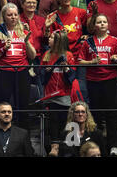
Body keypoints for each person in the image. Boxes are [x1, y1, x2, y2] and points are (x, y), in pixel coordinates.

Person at [78, 13, 117, 156]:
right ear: (94, 26)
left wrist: (116, 60)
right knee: (95, 113)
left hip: (109, 79)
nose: (102, 24)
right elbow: (79, 61)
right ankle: (96, 146)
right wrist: (91, 62)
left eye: (104, 22)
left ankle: (114, 146)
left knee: (110, 113)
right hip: (93, 80)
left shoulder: (115, 41)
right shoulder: (88, 42)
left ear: (108, 25)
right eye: (99, 22)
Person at [0, 3, 36, 129]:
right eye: (10, 15)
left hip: (22, 72)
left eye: (15, 14)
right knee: (2, 104)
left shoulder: (24, 32)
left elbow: (33, 56)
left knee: (23, 105)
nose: (13, 17)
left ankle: (24, 134)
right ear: (4, 16)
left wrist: (27, 42)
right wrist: (2, 49)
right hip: (3, 72)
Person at [41, 29, 76, 157]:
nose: (48, 39)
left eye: (51, 38)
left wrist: (66, 68)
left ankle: (66, 146)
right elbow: (42, 75)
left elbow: (72, 77)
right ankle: (54, 146)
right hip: (50, 94)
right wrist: (47, 70)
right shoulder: (46, 54)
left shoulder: (69, 55)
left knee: (64, 120)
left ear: (58, 42)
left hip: (64, 94)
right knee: (53, 118)